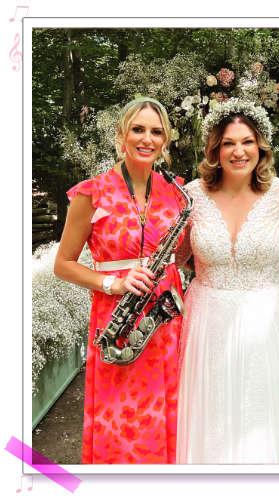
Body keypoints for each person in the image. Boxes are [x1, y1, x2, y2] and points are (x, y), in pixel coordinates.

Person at [175, 98, 279, 464]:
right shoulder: (191, 195)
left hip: (268, 320)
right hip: (206, 321)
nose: (238, 151)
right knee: (210, 415)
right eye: (228, 143)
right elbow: (177, 257)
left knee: (269, 412)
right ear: (214, 149)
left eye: (247, 141)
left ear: (260, 146)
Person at [54, 97, 185, 464]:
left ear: (166, 140)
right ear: (121, 135)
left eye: (156, 132)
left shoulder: (175, 192)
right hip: (119, 320)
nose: (147, 139)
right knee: (120, 421)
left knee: (165, 414)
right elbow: (63, 264)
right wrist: (113, 282)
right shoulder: (91, 192)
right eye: (138, 129)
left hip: (164, 321)